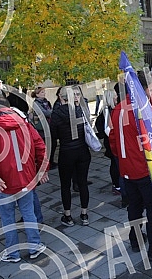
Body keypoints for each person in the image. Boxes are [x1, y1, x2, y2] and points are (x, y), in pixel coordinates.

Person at [0, 97, 48, 262]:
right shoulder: (24, 123)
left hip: (2, 182)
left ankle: (13, 253)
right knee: (29, 214)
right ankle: (35, 247)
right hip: (25, 179)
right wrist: (42, 169)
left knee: (8, 219)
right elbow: (40, 145)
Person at [109, 87, 152, 261]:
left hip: (126, 168)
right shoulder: (142, 108)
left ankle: (136, 240)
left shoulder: (117, 109)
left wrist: (122, 158)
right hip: (145, 167)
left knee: (134, 206)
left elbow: (113, 139)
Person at [50, 86, 91, 227]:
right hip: (82, 150)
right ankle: (84, 214)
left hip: (66, 152)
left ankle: (68, 216)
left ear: (61, 97)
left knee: (65, 185)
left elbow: (53, 135)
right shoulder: (80, 111)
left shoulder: (56, 114)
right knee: (83, 182)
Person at [95, 89, 121, 195]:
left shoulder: (106, 110)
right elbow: (107, 129)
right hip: (111, 140)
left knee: (114, 163)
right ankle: (117, 185)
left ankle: (117, 184)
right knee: (115, 163)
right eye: (115, 95)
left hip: (110, 140)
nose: (116, 97)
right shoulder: (107, 111)